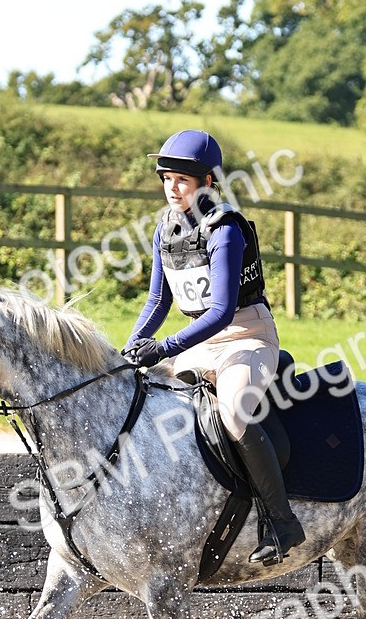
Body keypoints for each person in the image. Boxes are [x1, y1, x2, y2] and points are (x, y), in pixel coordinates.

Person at [122, 129, 305, 565]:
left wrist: (164, 346)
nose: (171, 188)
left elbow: (222, 311)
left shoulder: (224, 229)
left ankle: (280, 522)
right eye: (166, 179)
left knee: (236, 413)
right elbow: (158, 300)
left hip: (246, 336)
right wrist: (131, 349)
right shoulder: (165, 229)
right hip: (200, 341)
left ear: (207, 181)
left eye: (181, 180)